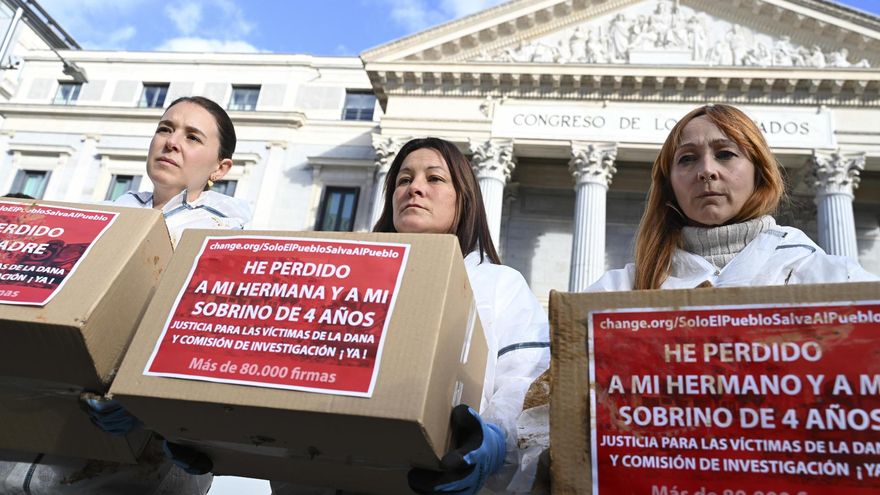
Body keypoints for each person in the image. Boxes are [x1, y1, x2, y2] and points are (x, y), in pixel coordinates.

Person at [269, 137, 551, 495]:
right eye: (403, 180)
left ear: (464, 198)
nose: (414, 188)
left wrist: (493, 442)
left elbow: (526, 385)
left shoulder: (501, 285)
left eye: (434, 179)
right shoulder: (344, 283)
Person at [0, 96, 251, 495]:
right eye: (165, 129)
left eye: (192, 137)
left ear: (221, 167)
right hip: (30, 451)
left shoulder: (229, 246)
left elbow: (217, 356)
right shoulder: (94, 220)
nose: (171, 142)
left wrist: (152, 410)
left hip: (136, 469)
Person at [590, 103, 877, 291]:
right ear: (669, 184)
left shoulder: (827, 277)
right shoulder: (621, 288)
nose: (706, 171)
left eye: (725, 154)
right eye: (687, 159)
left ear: (759, 171)